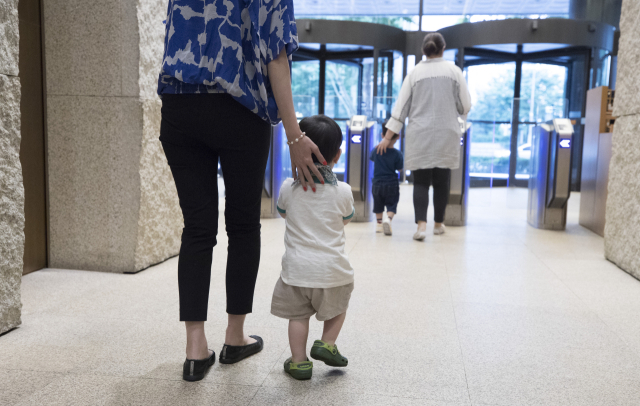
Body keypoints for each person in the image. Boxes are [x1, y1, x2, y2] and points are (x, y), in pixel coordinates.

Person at [157, 0, 327, 382]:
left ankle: (195, 349)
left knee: (198, 228)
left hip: (180, 107)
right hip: (240, 109)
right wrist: (295, 135)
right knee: (244, 225)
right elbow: (276, 57)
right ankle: (235, 336)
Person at [271, 115, 355, 381]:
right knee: (339, 305)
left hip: (296, 271)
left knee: (298, 316)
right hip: (332, 271)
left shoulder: (288, 188)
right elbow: (346, 218)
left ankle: (299, 362)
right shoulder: (342, 191)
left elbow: (283, 212)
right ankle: (327, 342)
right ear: (338, 155)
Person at [377, 32, 471, 240]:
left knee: (420, 182)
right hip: (447, 133)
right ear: (443, 48)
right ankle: (438, 223)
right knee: (441, 181)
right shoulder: (454, 72)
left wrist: (388, 136)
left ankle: (421, 227)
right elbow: (465, 105)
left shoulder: (414, 74)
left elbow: (401, 109)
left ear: (424, 50)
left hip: (420, 133)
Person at [371, 122, 403, 236]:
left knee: (378, 204)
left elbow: (372, 158)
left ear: (382, 135)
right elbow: (400, 169)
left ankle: (379, 225)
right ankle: (388, 220)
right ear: (398, 136)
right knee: (391, 204)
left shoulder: (376, 150)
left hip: (377, 183)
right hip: (392, 184)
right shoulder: (397, 154)